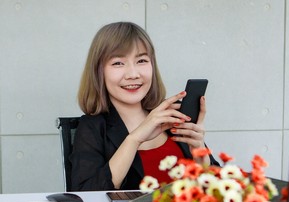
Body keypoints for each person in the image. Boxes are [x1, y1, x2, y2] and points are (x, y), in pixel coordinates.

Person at [70, 22, 218, 191]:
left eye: (141, 60)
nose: (133, 74)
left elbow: (222, 191)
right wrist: (134, 139)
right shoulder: (92, 127)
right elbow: (86, 196)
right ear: (99, 71)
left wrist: (201, 156)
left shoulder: (173, 115)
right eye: (118, 63)